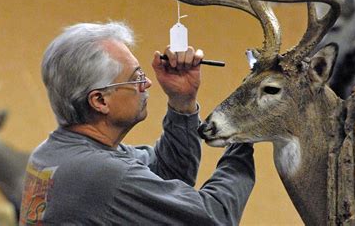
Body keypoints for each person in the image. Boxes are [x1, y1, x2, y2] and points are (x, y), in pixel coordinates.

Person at [19, 21, 255, 225]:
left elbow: (169, 173)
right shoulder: (103, 175)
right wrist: (242, 133)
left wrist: (182, 102)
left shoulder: (54, 154)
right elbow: (216, 218)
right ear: (100, 100)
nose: (147, 84)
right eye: (136, 78)